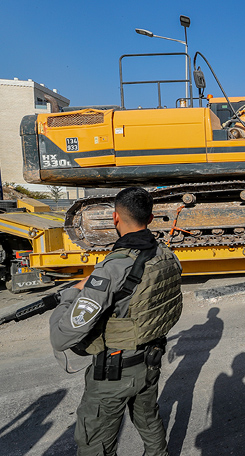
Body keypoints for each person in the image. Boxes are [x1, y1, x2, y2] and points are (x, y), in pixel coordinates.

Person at [50, 187, 183, 456]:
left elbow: (64, 335)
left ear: (115, 218)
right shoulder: (165, 254)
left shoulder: (114, 266)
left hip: (115, 370)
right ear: (151, 217)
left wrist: (70, 295)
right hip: (150, 361)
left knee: (94, 442)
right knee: (148, 421)